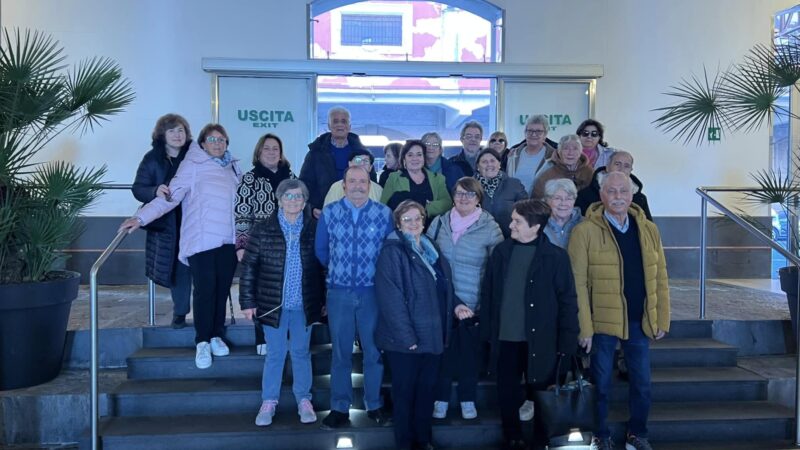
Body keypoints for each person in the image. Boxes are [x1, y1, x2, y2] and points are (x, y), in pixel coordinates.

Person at [120, 123, 242, 369]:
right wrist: (141, 217)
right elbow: (169, 198)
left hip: (228, 241)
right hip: (200, 240)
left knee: (221, 290)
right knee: (205, 290)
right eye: (212, 139)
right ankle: (202, 341)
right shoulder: (192, 165)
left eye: (222, 140)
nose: (217, 144)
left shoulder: (233, 168)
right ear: (202, 143)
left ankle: (217, 335)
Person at [568, 171, 670, 450]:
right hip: (601, 324)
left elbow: (659, 275)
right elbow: (577, 283)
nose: (617, 197)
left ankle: (637, 433)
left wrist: (661, 317)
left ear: (632, 195)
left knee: (642, 384)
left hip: (639, 320)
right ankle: (600, 435)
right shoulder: (584, 231)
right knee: (600, 385)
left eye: (623, 191)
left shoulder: (648, 228)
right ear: (601, 195)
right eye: (611, 191)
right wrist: (584, 327)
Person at [375, 199, 474, 450]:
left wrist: (456, 304)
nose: (414, 223)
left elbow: (443, 287)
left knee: (426, 393)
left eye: (418, 218)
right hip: (405, 341)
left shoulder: (430, 247)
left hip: (432, 335)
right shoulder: (392, 250)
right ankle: (405, 443)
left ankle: (423, 439)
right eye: (407, 219)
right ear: (398, 223)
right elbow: (391, 298)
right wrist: (407, 337)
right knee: (406, 394)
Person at [481, 199, 579, 450]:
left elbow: (568, 301)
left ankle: (540, 439)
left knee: (541, 392)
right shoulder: (501, 252)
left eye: (517, 221)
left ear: (535, 227)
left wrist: (568, 343)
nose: (510, 225)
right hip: (505, 338)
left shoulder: (556, 258)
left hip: (542, 339)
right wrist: (488, 333)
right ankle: (511, 435)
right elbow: (489, 295)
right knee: (507, 392)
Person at [239, 179, 325, 427]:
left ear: (305, 201)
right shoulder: (263, 228)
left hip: (303, 303)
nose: (294, 201)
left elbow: (322, 267)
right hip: (272, 303)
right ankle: (269, 401)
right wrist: (247, 301)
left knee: (301, 352)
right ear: (279, 199)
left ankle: (303, 399)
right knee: (275, 354)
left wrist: (323, 299)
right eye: (288, 196)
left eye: (298, 197)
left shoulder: (314, 228)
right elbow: (249, 268)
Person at [315, 165, 394, 429]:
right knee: (340, 353)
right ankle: (339, 407)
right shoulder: (330, 212)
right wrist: (341, 273)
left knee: (373, 351)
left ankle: (374, 404)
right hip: (339, 293)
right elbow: (321, 250)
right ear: (344, 185)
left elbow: (389, 252)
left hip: (372, 292)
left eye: (363, 181)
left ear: (369, 185)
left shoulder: (384, 214)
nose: (358, 186)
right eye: (353, 181)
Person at [427, 178, 503, 421]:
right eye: (459, 193)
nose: (463, 198)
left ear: (478, 198)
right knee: (443, 353)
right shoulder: (439, 223)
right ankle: (441, 398)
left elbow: (497, 267)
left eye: (470, 194)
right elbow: (427, 257)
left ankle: (467, 398)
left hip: (473, 300)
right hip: (443, 299)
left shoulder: (490, 226)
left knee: (470, 355)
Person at [235, 132, 297, 355]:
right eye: (267, 148)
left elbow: (302, 205)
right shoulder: (249, 179)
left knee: (286, 290)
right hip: (259, 245)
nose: (271, 152)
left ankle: (287, 334)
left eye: (275, 149)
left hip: (289, 244)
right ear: (259, 152)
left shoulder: (291, 177)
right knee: (263, 292)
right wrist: (241, 245)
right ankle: (261, 335)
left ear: (281, 154)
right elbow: (241, 213)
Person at [131, 114, 193, 329]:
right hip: (167, 225)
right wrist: (154, 191)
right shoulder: (152, 158)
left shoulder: (196, 155)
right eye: (172, 131)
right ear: (162, 135)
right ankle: (181, 312)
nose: (178, 135)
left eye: (181, 130)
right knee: (178, 270)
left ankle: (206, 313)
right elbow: (138, 189)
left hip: (194, 220)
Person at [300, 106, 368, 217]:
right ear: (329, 126)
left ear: (349, 126)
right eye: (335, 121)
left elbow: (371, 182)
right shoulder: (315, 154)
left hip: (358, 213)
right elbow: (304, 185)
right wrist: (311, 208)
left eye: (344, 121)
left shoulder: (362, 154)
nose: (340, 125)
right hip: (323, 214)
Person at [381, 140, 452, 222]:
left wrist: (426, 206)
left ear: (424, 158)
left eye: (419, 154)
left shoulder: (438, 179)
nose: (415, 158)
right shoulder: (394, 178)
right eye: (410, 155)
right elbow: (383, 206)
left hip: (430, 230)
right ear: (404, 158)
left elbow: (447, 204)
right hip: (402, 228)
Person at [575, 150, 653, 220]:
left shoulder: (640, 199)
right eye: (617, 164)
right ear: (607, 167)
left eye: (626, 166)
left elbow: (649, 230)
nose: (621, 169)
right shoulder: (584, 195)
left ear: (630, 170)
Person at [474, 148, 527, 239]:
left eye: (492, 161)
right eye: (484, 162)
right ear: (478, 167)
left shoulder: (514, 184)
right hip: (479, 239)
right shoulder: (469, 187)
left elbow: (526, 211)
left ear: (499, 164)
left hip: (510, 239)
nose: (489, 164)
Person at [531, 134, 593, 199]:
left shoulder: (588, 171)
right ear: (559, 151)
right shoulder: (548, 168)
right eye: (566, 148)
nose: (570, 153)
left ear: (580, 152)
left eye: (575, 149)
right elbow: (537, 197)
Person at [504, 115, 555, 195]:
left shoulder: (553, 157)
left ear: (545, 134)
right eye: (530, 131)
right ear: (525, 133)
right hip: (516, 205)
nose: (534, 134)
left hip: (540, 205)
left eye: (538, 131)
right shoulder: (512, 155)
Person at [542, 178, 583, 249]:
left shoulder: (585, 224)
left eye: (569, 199)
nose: (563, 203)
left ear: (574, 201)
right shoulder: (538, 225)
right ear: (547, 200)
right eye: (557, 198)